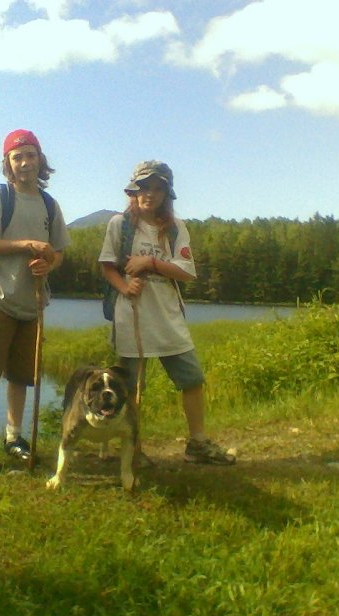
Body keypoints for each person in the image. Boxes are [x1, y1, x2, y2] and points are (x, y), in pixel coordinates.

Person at [98, 160, 235, 465]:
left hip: (167, 315)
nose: (151, 193)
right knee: (130, 387)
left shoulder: (175, 229)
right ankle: (130, 447)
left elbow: (187, 272)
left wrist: (150, 264)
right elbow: (107, 266)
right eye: (145, 187)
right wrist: (123, 287)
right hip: (130, 314)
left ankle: (197, 444)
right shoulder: (119, 225)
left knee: (192, 379)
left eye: (158, 188)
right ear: (135, 190)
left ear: (166, 193)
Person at [0, 129, 71, 472]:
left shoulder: (50, 205)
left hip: (32, 303)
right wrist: (25, 246)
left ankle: (14, 438)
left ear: (40, 160)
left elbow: (60, 252)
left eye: (30, 155)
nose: (24, 163)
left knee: (21, 375)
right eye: (17, 157)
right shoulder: (0, 197)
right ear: (8, 163)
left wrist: (48, 262)